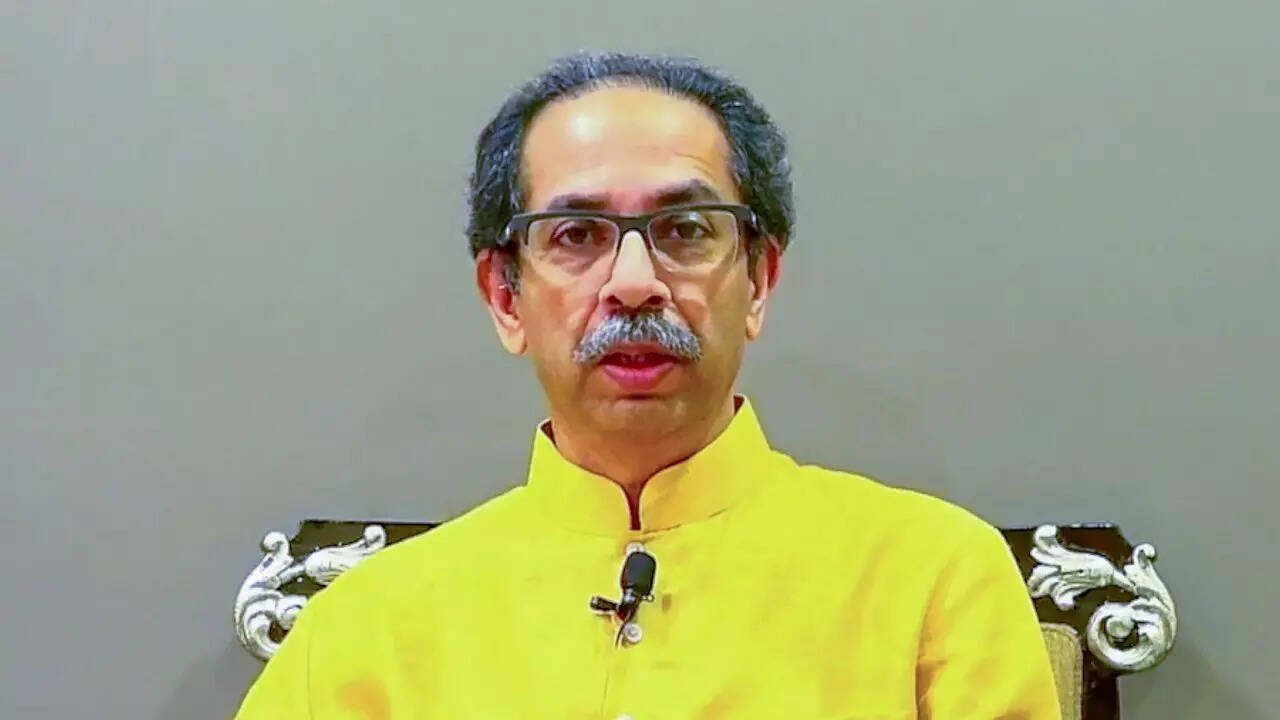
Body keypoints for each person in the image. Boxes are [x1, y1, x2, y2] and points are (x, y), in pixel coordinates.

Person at [235, 52, 1060, 719]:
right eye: (577, 234)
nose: (634, 282)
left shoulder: (933, 577)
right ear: (506, 297)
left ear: (759, 281)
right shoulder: (365, 627)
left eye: (686, 230)